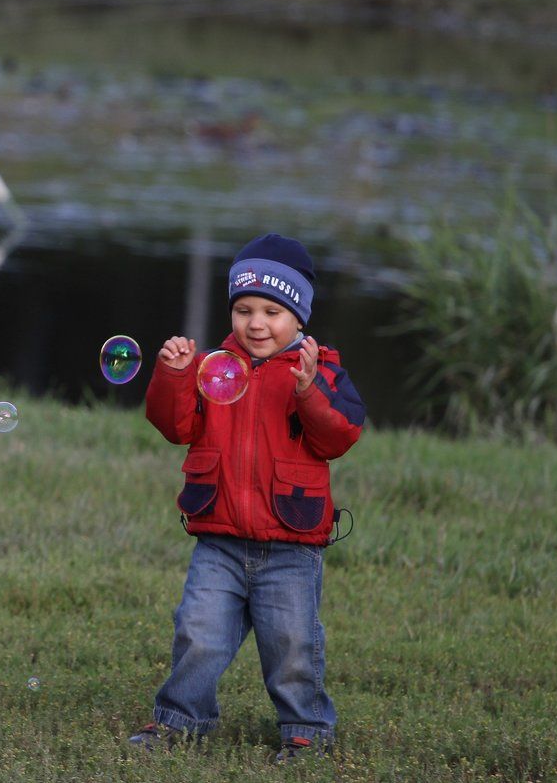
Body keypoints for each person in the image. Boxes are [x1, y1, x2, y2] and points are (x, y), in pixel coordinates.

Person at [129, 233, 366, 762]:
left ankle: (306, 731)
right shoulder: (212, 366)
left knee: (292, 646)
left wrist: (308, 390)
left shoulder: (321, 370)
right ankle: (180, 721)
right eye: (244, 310)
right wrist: (172, 374)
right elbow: (174, 425)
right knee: (198, 633)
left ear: (299, 317)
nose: (256, 323)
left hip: (291, 542)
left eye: (272, 312)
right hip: (218, 539)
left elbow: (340, 435)